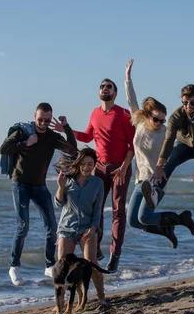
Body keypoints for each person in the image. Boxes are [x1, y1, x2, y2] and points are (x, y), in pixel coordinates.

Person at [55, 77, 136, 273]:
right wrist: (66, 130)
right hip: (98, 168)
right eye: (102, 86)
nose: (104, 89)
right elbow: (87, 136)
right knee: (95, 208)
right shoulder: (94, 113)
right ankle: (96, 248)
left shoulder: (124, 114)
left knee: (118, 211)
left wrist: (124, 167)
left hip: (119, 167)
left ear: (115, 93)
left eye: (109, 87)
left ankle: (115, 254)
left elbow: (133, 144)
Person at [0, 102, 77, 286]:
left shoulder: (51, 136)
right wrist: (26, 143)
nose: (43, 123)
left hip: (39, 185)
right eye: (40, 119)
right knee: (23, 226)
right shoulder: (23, 132)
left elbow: (73, 151)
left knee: (52, 225)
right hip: (20, 184)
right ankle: (14, 266)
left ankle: (49, 264)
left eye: (47, 121)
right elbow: (3, 149)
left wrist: (66, 128)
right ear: (34, 116)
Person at [123, 59, 194, 247]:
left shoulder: (166, 133)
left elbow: (186, 132)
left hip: (156, 181)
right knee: (133, 221)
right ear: (148, 116)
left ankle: (180, 218)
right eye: (156, 119)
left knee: (144, 217)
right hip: (141, 181)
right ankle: (166, 229)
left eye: (163, 120)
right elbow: (131, 100)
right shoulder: (139, 123)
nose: (160, 123)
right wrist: (128, 79)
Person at [153, 84, 194, 222]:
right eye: (185, 102)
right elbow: (169, 140)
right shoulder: (176, 116)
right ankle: (155, 191)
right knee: (168, 163)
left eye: (192, 103)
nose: (188, 106)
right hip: (184, 145)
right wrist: (159, 165)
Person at [54, 148, 108, 308]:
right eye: (83, 164)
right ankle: (60, 303)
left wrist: (93, 228)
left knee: (91, 262)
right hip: (67, 228)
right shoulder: (67, 179)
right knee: (62, 265)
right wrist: (61, 187)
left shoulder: (98, 183)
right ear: (78, 164)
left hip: (87, 228)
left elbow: (98, 209)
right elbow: (57, 203)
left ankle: (101, 297)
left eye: (90, 164)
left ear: (94, 165)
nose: (86, 167)